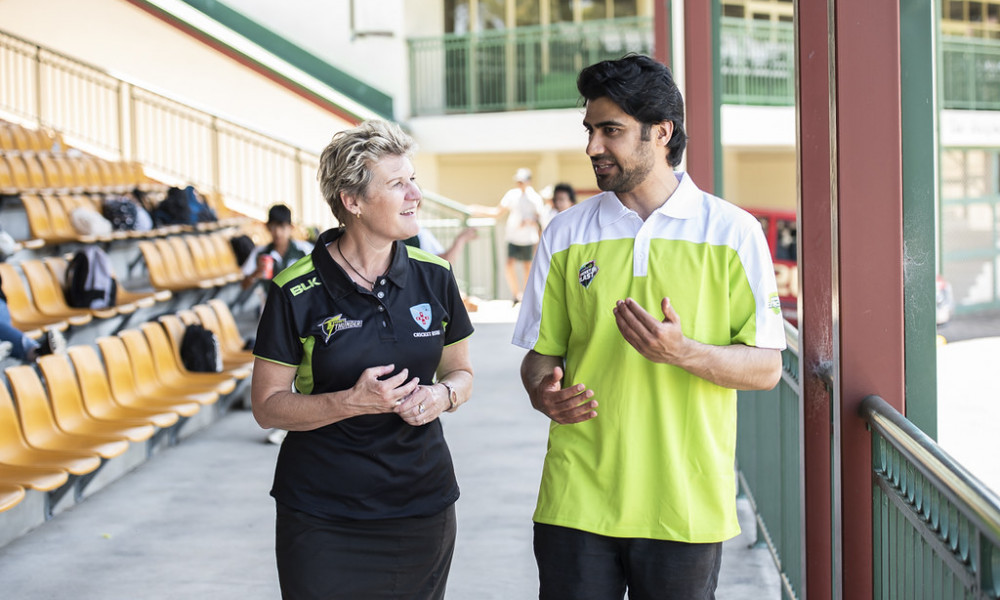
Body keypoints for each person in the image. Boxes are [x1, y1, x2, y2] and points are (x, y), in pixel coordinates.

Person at [512, 54, 786, 600]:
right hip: (576, 500)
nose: (593, 146)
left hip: (683, 504)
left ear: (661, 132)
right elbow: (541, 356)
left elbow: (767, 368)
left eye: (610, 130)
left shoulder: (733, 233)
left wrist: (686, 353)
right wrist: (543, 392)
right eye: (590, 129)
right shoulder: (565, 233)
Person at [250, 119, 474, 600]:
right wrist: (349, 402)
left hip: (422, 507)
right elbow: (267, 406)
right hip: (321, 513)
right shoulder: (295, 290)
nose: (415, 193)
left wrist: (443, 394)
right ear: (352, 201)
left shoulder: (436, 276)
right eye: (397, 184)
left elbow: (462, 372)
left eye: (413, 179)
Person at [496, 168, 544, 304]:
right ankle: (515, 293)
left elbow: (539, 217)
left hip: (528, 238)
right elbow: (499, 210)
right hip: (513, 236)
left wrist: (530, 221)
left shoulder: (535, 198)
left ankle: (525, 295)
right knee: (509, 264)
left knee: (527, 267)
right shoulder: (512, 195)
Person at [241, 204, 314, 291]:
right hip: (269, 303)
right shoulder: (260, 252)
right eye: (273, 227)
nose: (278, 232)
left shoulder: (305, 250)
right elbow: (243, 286)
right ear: (267, 227)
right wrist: (256, 273)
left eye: (282, 227)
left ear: (291, 228)